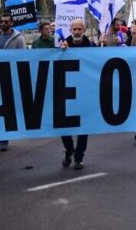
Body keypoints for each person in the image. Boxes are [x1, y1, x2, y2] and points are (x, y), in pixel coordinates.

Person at [58, 19, 94, 169]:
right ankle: (69, 150)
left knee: (83, 127)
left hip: (85, 92)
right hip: (66, 92)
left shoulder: (92, 46)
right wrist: (60, 51)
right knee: (62, 125)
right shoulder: (63, 46)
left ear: (84, 30)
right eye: (75, 29)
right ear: (70, 30)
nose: (77, 32)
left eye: (80, 29)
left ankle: (79, 157)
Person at [0, 13, 26, 152]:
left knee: (7, 108)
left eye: (6, 21)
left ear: (11, 23)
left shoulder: (19, 39)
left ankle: (4, 138)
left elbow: (23, 57)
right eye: (1, 21)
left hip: (11, 76)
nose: (3, 23)